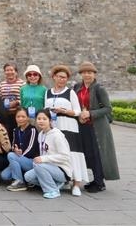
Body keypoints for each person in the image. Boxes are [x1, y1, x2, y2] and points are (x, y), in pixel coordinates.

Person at [74, 61, 119, 192]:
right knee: (88, 153)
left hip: (97, 126)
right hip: (83, 125)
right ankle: (95, 179)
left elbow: (107, 108)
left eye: (90, 72)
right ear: (81, 74)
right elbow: (75, 106)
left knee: (98, 152)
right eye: (84, 73)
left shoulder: (99, 89)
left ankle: (100, 182)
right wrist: (79, 116)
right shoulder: (77, 87)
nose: (87, 75)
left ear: (94, 74)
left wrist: (90, 113)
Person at [44, 64, 88, 196]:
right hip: (54, 126)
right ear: (54, 77)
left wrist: (65, 111)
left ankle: (76, 183)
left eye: (64, 77)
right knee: (56, 152)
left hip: (68, 125)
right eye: (59, 77)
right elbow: (45, 109)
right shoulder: (48, 92)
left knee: (72, 153)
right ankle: (62, 179)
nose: (62, 79)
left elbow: (77, 111)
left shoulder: (70, 92)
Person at [24, 109, 73, 199]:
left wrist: (43, 159)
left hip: (62, 170)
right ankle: (56, 184)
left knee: (39, 165)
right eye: (39, 118)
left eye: (44, 119)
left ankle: (52, 190)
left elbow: (65, 156)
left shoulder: (57, 135)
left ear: (50, 121)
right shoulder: (41, 134)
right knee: (28, 177)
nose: (41, 121)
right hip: (48, 167)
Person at [0, 107, 39, 191]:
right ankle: (24, 178)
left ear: (28, 117)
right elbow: (14, 144)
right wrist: (15, 149)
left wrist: (19, 155)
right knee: (4, 176)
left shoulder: (32, 130)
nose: (20, 119)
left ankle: (20, 182)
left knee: (11, 155)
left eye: (23, 117)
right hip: (19, 158)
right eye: (18, 117)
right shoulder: (16, 130)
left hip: (30, 161)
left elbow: (31, 148)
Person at [0, 62, 25, 132]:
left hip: (18, 114)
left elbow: (25, 99)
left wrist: (17, 102)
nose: (9, 72)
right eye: (7, 70)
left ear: (16, 72)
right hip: (5, 115)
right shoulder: (2, 84)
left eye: (11, 70)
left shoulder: (22, 83)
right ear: (4, 72)